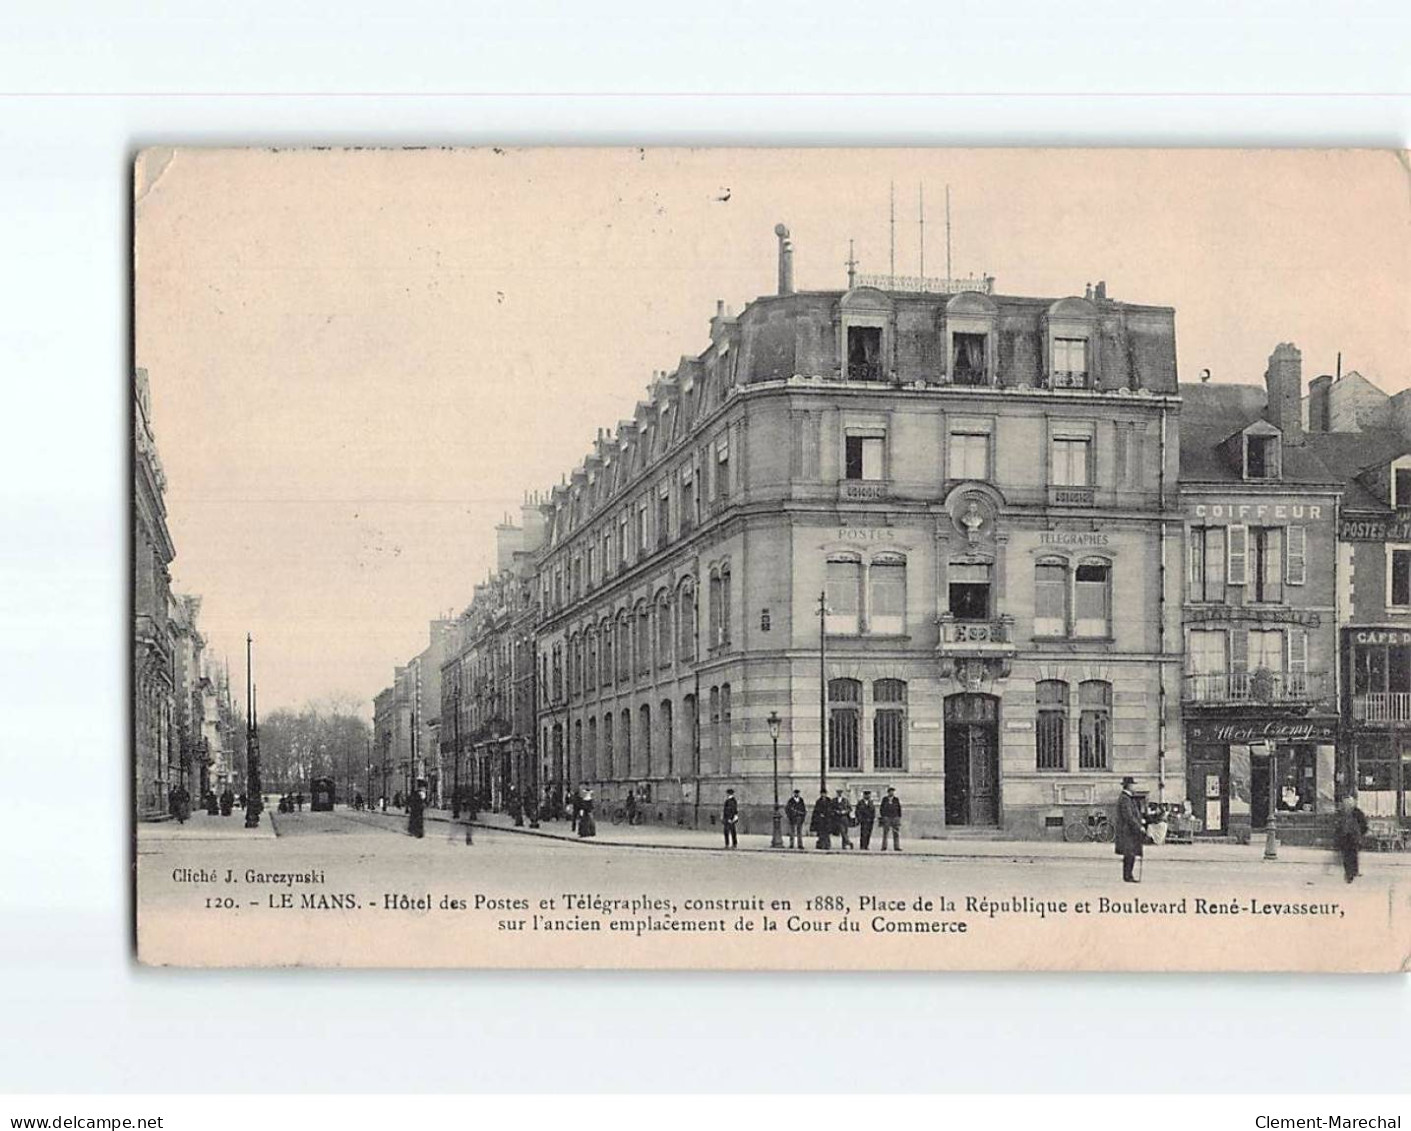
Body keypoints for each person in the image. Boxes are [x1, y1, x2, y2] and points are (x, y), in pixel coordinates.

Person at [1334, 794, 1369, 884]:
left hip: (1353, 837)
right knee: (1346, 855)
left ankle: (1352, 872)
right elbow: (1337, 825)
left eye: (1348, 803)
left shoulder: (1357, 813)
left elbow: (1364, 824)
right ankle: (1349, 872)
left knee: (1353, 854)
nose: (1347, 805)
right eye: (1345, 803)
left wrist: (1360, 833)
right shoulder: (1341, 813)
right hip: (1345, 837)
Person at [1115, 776, 1144, 883]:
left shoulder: (1128, 798)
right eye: (1132, 785)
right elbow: (1129, 816)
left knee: (1130, 854)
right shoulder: (1125, 799)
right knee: (1129, 854)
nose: (1134, 787)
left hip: (1129, 831)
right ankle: (1128, 876)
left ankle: (1128, 875)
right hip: (1127, 831)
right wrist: (1138, 827)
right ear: (1129, 786)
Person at [879, 787, 902, 851]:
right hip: (887, 817)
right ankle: (884, 846)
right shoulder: (885, 799)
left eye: (893, 792)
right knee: (885, 833)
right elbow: (881, 808)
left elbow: (899, 808)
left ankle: (896, 846)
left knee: (896, 833)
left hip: (895, 817)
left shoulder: (896, 799)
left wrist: (898, 817)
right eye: (890, 792)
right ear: (888, 792)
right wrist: (883, 816)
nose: (891, 793)